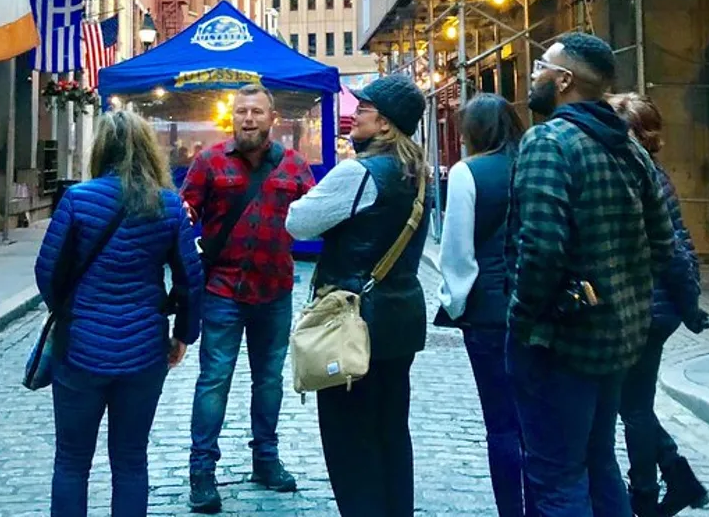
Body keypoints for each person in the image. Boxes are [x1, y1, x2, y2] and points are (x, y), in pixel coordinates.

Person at [505, 32, 677, 517]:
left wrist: (522, 324)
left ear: (563, 80)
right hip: (616, 341)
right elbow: (664, 244)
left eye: (541, 65)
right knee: (598, 459)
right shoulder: (630, 147)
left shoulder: (549, 142)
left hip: (558, 345)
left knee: (556, 476)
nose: (534, 73)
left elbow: (539, 250)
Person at [34, 110, 205, 517]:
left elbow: (46, 270)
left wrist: (69, 312)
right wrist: (184, 333)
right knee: (131, 460)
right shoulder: (167, 205)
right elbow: (190, 279)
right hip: (144, 351)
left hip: (80, 350)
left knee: (71, 460)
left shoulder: (78, 199)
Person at [286, 74, 433, 517]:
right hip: (400, 317)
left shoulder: (359, 172)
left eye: (363, 110)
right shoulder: (417, 172)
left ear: (385, 125)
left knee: (350, 439)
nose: (354, 116)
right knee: (391, 432)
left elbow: (299, 221)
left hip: (354, 321)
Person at [181, 84, 315, 514]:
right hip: (222, 289)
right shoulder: (209, 162)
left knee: (269, 380)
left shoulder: (294, 166)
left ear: (272, 119)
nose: (249, 119)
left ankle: (266, 459)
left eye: (257, 111)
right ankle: (202, 470)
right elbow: (186, 215)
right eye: (242, 112)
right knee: (214, 380)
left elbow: (314, 217)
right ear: (232, 117)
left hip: (274, 289)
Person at [608, 93, 709, 517]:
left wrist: (690, 308)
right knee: (633, 403)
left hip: (649, 308)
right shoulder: (652, 174)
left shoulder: (640, 178)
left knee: (631, 406)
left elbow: (674, 250)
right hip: (658, 306)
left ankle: (648, 496)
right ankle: (675, 476)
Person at [435, 93, 529, 517]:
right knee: (538, 420)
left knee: (502, 423)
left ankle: (512, 509)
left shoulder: (467, 172)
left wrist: (454, 302)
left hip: (490, 311)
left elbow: (457, 249)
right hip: (538, 305)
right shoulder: (534, 164)